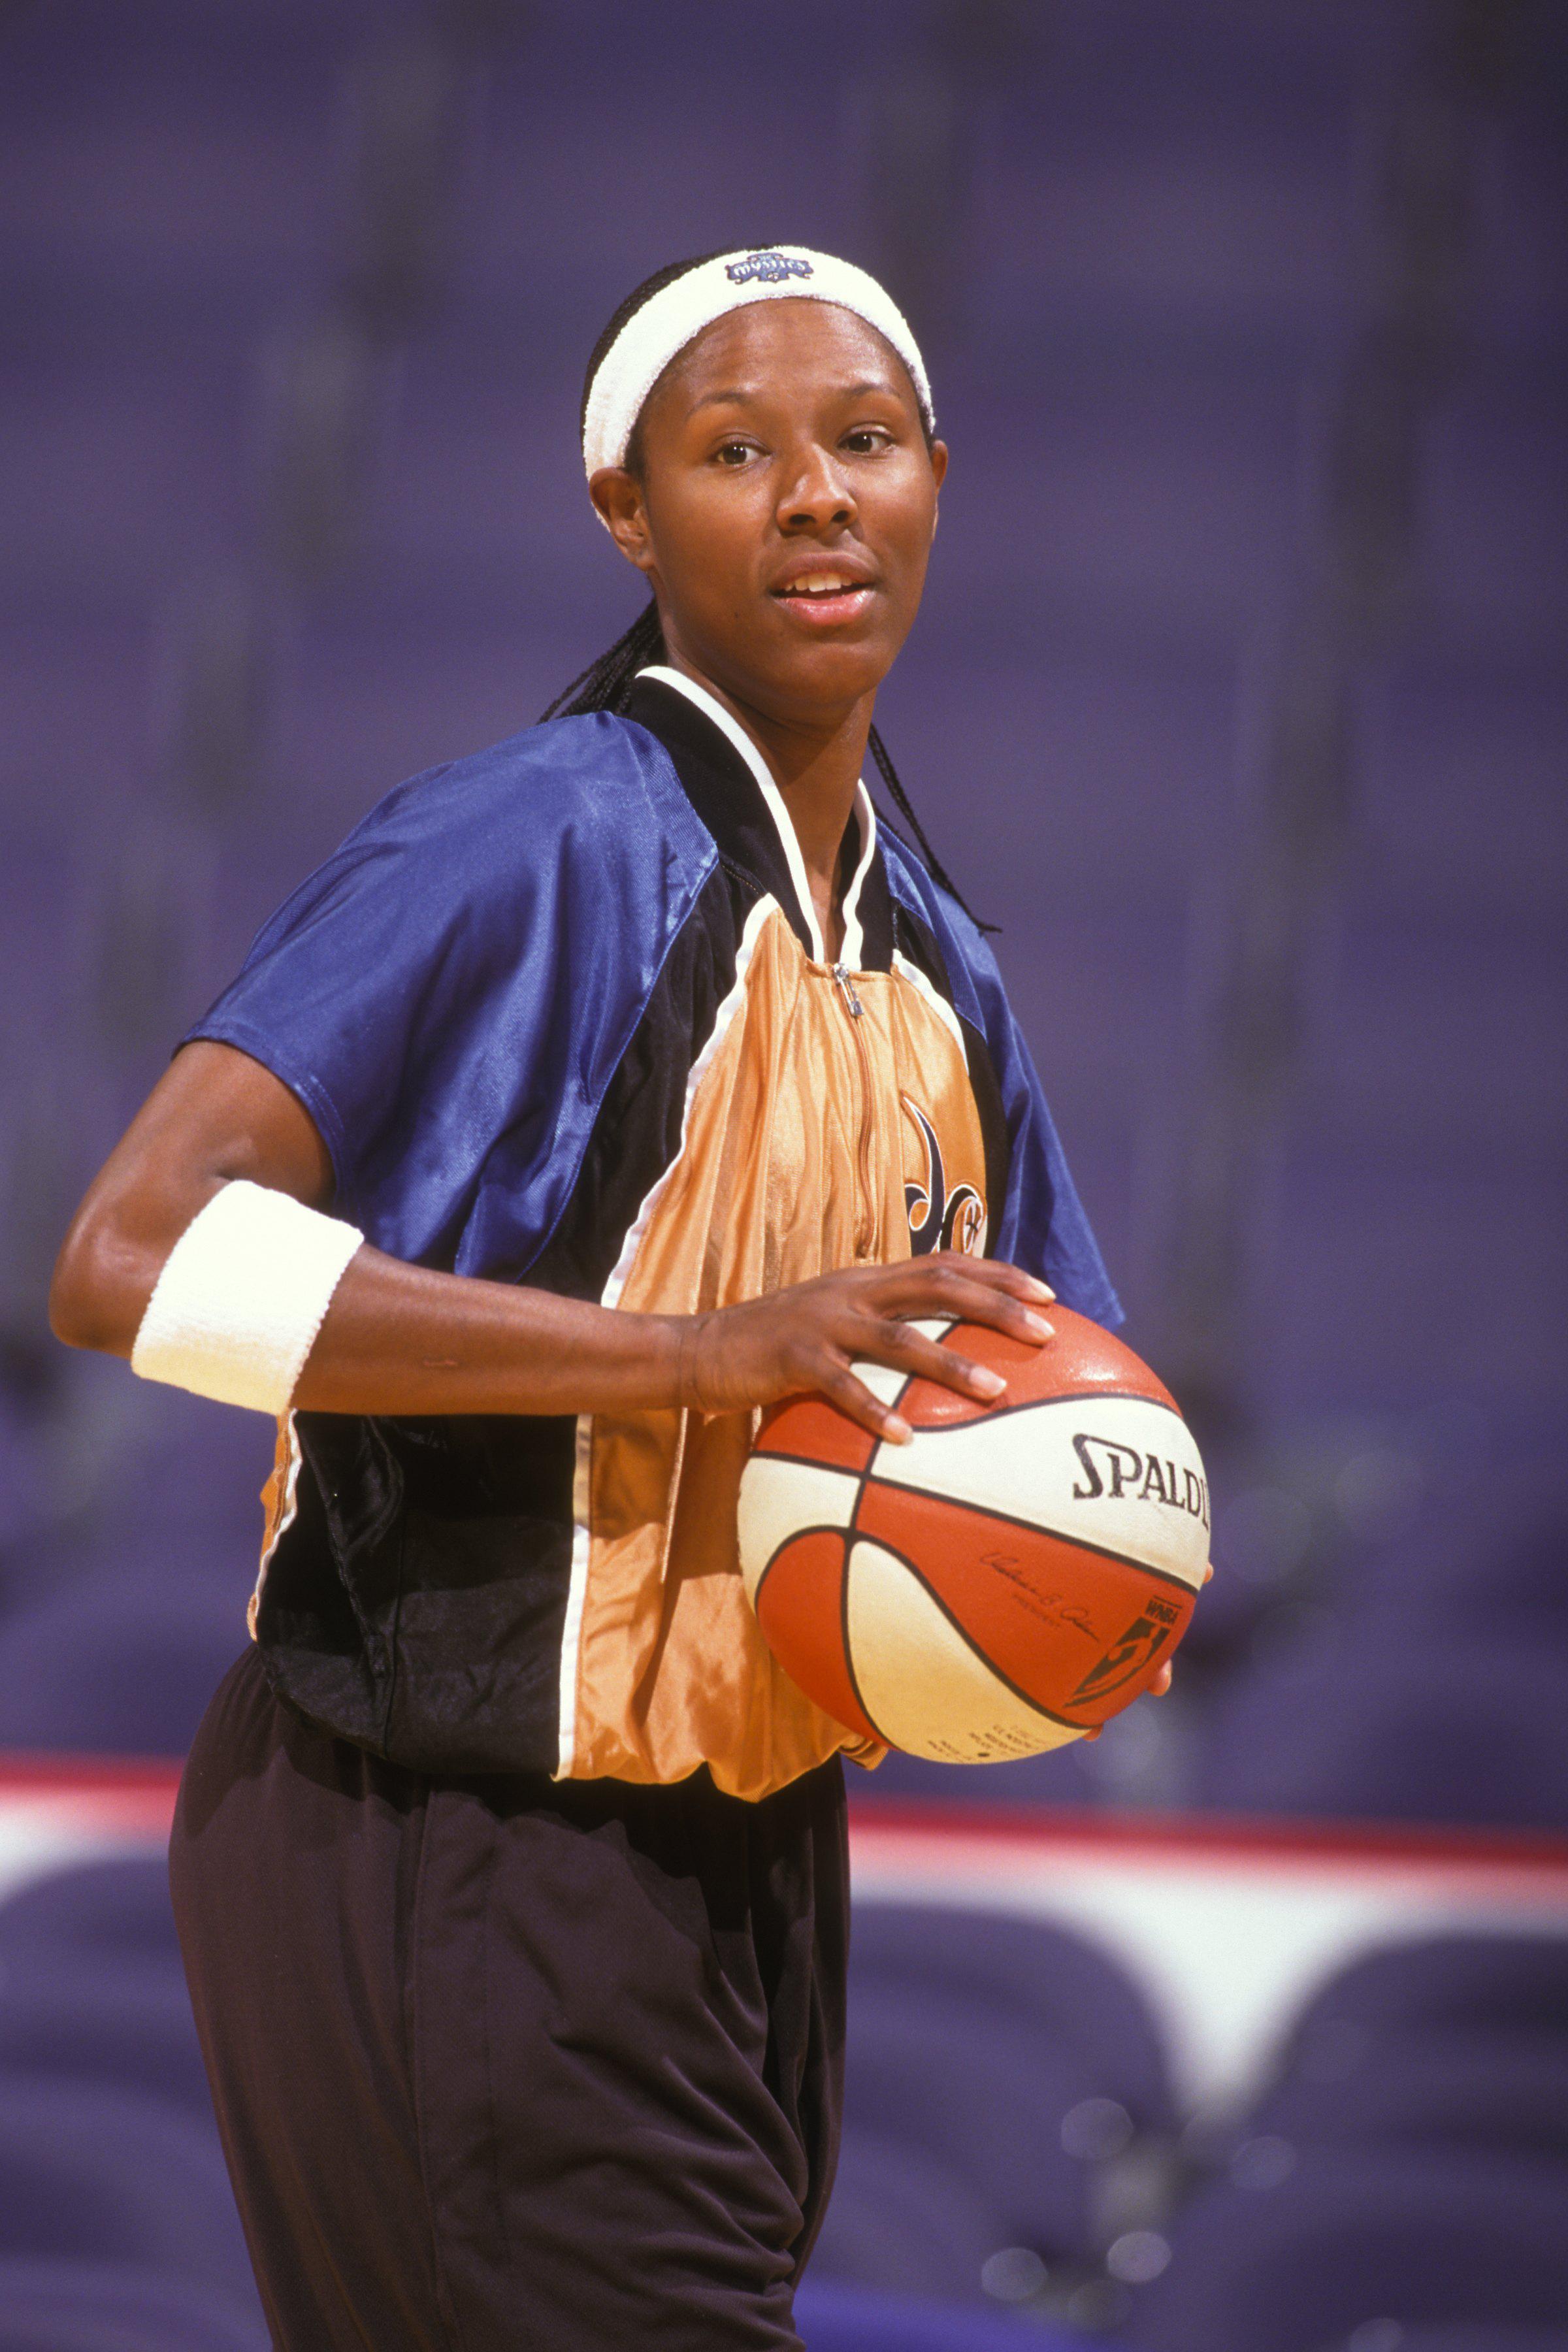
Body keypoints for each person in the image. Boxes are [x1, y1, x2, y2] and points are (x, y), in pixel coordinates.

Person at [51, 246, 1130, 2350]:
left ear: (935, 483)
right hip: (445, 1820)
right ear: (627, 515)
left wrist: (1098, 1579)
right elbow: (134, 1257)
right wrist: (695, 1362)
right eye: (737, 452)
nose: (817, 494)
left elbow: (1046, 1389)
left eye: (867, 441)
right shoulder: (528, 838)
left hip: (746, 1852)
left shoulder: (936, 957)